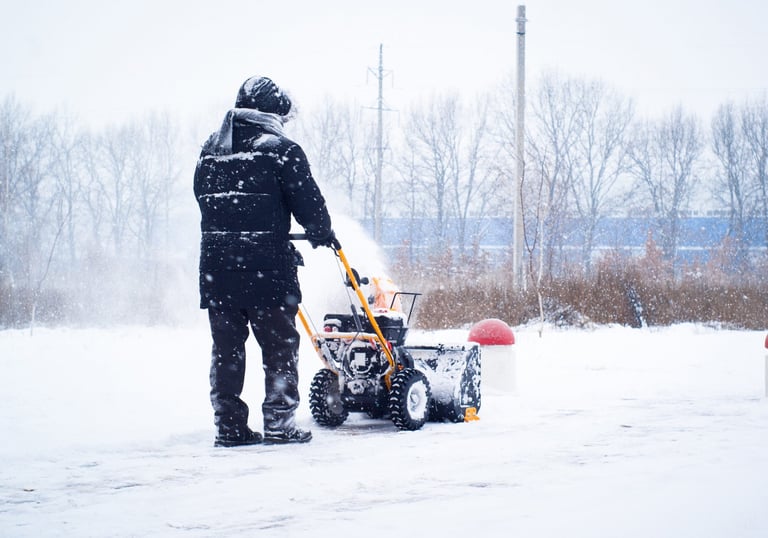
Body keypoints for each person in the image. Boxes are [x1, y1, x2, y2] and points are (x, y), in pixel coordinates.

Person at [194, 75, 336, 447]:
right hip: (267, 271)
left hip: (217, 272)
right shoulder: (282, 150)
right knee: (278, 347)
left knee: (227, 350)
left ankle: (229, 426)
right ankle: (279, 422)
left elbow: (203, 199)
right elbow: (311, 208)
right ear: (272, 113)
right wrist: (321, 232)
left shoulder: (211, 149)